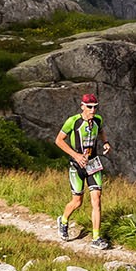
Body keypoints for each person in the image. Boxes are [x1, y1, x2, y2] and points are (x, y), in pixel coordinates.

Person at [55, 92, 112, 247]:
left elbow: (100, 131)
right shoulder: (72, 121)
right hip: (77, 165)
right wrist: (76, 155)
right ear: (82, 106)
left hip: (93, 163)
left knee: (97, 199)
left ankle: (96, 238)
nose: (92, 110)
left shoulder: (98, 120)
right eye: (89, 107)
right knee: (77, 201)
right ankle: (64, 220)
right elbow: (59, 140)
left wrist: (105, 142)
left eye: (95, 107)